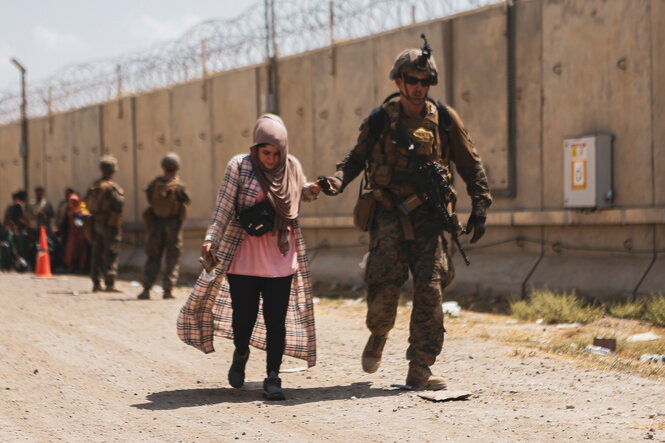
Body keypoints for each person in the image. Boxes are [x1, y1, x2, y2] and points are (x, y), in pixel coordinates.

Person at [318, 37, 492, 390]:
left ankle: (420, 367)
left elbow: (469, 162)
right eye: (412, 80)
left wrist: (481, 203)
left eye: (424, 81)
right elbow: (356, 158)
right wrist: (338, 180)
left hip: (429, 218)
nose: (418, 87)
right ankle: (379, 334)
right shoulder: (381, 119)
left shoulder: (444, 118)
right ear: (398, 81)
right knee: (383, 289)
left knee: (430, 292)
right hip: (387, 215)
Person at [177, 114, 320, 400]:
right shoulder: (240, 167)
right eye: (266, 152)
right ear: (256, 148)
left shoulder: (291, 167)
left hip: (281, 258)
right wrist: (210, 239)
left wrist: (311, 190)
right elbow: (223, 207)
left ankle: (273, 376)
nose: (271, 158)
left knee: (275, 320)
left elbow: (296, 192)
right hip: (244, 259)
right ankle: (241, 352)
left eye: (277, 153)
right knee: (244, 318)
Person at [138, 153, 191, 300]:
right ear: (177, 167)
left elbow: (149, 199)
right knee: (172, 258)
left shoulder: (154, 184)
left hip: (155, 224)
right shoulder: (178, 185)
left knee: (153, 257)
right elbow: (186, 201)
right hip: (173, 225)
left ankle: (146, 289)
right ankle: (168, 290)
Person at [84, 155, 124, 292]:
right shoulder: (112, 187)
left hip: (95, 222)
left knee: (96, 252)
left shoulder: (94, 186)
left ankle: (96, 283)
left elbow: (85, 204)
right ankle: (109, 283)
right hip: (109, 223)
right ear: (113, 170)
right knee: (111, 252)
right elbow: (118, 204)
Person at [59, 193, 90, 274]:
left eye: (74, 201)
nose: (73, 203)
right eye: (71, 201)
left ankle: (81, 267)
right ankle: (70, 267)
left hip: (81, 234)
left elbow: (86, 220)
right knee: (71, 252)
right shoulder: (69, 210)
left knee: (82, 252)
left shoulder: (82, 208)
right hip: (72, 235)